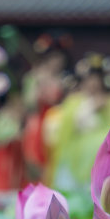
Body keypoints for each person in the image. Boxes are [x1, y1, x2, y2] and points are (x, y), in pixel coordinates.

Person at [43, 52, 110, 190]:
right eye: (90, 79)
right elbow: (66, 126)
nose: (93, 83)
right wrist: (89, 108)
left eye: (97, 79)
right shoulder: (74, 101)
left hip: (104, 155)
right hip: (75, 153)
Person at [21, 33, 73, 183]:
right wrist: (38, 85)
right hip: (38, 124)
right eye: (53, 58)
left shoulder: (66, 79)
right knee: (36, 162)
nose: (57, 62)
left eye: (59, 57)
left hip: (57, 125)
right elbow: (29, 104)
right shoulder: (33, 77)